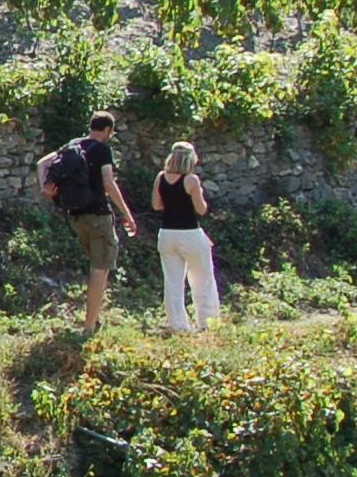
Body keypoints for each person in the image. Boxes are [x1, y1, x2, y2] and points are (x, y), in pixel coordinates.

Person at [38, 109, 136, 330]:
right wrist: (126, 213)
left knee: (96, 267)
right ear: (108, 130)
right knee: (100, 270)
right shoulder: (102, 149)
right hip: (98, 214)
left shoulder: (73, 145)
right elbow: (108, 184)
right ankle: (90, 326)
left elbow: (42, 163)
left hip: (77, 217)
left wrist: (45, 188)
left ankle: (94, 317)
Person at [151, 141, 221, 332]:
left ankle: (178, 325)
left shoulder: (161, 177)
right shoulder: (191, 180)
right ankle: (207, 322)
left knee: (173, 282)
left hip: (166, 233)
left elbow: (156, 205)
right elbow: (201, 209)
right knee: (202, 278)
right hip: (189, 233)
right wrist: (199, 194)